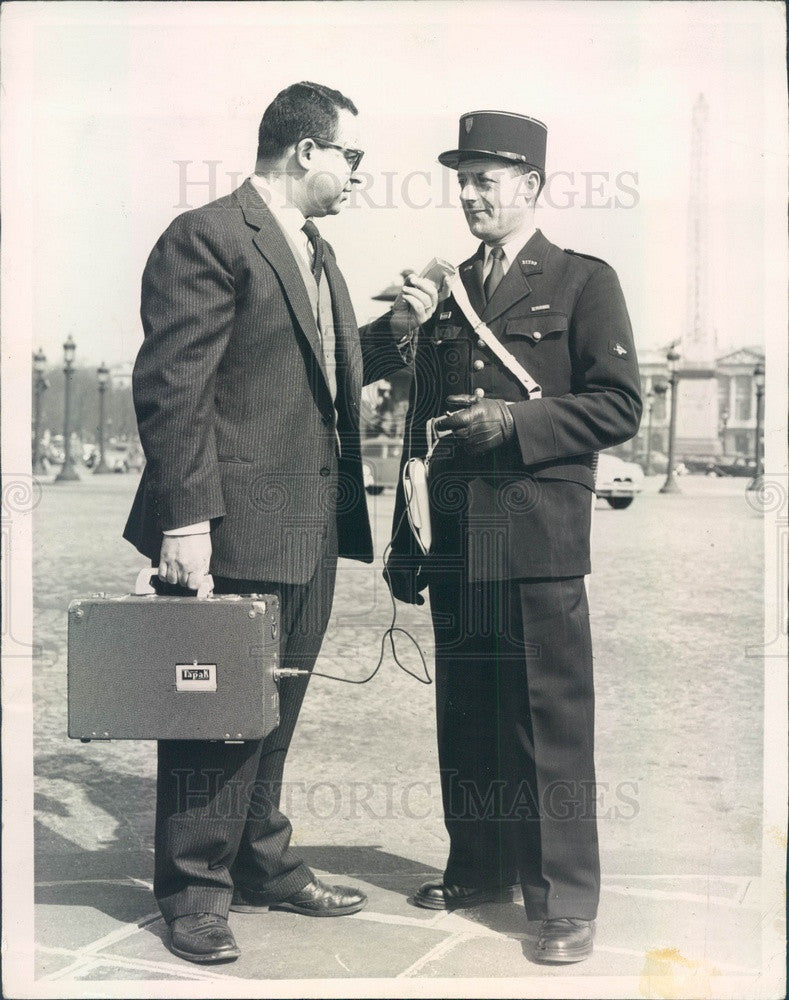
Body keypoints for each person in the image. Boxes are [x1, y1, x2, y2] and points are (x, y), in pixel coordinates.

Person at [123, 81, 438, 963]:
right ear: (306, 150)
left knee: (274, 707)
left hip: (306, 525)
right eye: (352, 157)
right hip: (229, 527)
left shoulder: (315, 250)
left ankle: (259, 860)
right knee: (214, 713)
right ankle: (193, 890)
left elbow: (323, 377)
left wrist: (401, 322)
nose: (358, 176)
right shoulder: (209, 237)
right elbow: (173, 388)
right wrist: (185, 523)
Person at [384, 110, 642, 964]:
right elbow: (419, 426)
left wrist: (517, 422)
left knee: (546, 718)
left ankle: (564, 898)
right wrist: (407, 543)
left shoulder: (579, 280)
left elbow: (618, 405)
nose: (468, 194)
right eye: (461, 179)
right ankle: (480, 867)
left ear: (529, 186)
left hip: (536, 534)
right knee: (467, 712)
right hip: (461, 535)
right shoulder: (443, 288)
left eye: (485, 179)